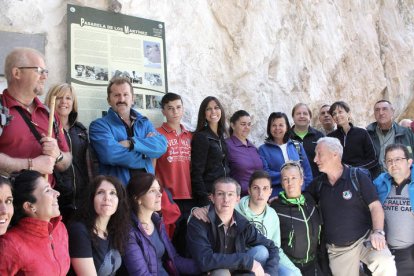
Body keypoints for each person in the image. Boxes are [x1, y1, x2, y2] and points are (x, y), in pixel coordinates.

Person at [307, 137, 396, 276]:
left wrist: (378, 232)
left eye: (319, 154)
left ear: (334, 154)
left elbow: (375, 206)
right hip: (339, 249)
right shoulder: (317, 185)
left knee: (385, 263)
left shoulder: (357, 177)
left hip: (366, 239)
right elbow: (300, 199)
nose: (315, 159)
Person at [0, 47, 72, 186]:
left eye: (46, 72)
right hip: (7, 204)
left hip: (45, 204)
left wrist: (58, 155)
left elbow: (67, 161)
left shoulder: (48, 113)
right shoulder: (1, 108)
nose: (45, 76)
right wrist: (31, 165)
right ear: (17, 73)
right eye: (39, 71)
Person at [187, 177, 279, 275]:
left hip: (236, 269)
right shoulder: (199, 221)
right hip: (207, 272)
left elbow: (272, 246)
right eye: (220, 194)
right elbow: (204, 260)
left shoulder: (242, 223)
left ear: (237, 199)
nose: (226, 199)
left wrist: (270, 272)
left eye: (230, 194)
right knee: (221, 273)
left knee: (262, 251)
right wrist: (246, 261)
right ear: (212, 198)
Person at [89, 77, 167, 185]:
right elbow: (110, 155)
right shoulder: (99, 126)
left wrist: (131, 143)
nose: (121, 99)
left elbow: (162, 145)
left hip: (146, 191)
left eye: (125, 95)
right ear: (109, 100)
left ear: (132, 98)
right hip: (119, 192)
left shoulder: (144, 123)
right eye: (116, 95)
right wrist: (146, 155)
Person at [123, 173, 199, 275]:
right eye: (152, 191)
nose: (160, 194)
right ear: (137, 198)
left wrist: (205, 267)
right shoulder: (129, 233)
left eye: (159, 190)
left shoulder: (157, 222)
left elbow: (174, 259)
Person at [0, 170, 70, 275]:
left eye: (8, 201)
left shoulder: (60, 229)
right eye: (47, 190)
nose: (57, 193)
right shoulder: (10, 244)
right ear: (29, 206)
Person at [45, 83, 91, 222]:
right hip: (57, 197)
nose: (64, 101)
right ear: (51, 101)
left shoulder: (80, 130)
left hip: (82, 197)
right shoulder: (45, 127)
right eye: (59, 97)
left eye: (68, 98)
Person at [68, 175, 130, 275]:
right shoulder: (79, 231)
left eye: (113, 193)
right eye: (100, 192)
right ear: (91, 199)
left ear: (119, 201)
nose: (107, 198)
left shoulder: (115, 231)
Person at [271, 161, 324, 276]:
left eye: (294, 178)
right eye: (285, 179)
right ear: (281, 183)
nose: (290, 183)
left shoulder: (311, 200)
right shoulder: (275, 208)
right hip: (290, 267)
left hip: (314, 264)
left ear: (301, 180)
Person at [373, 144, 414, 275]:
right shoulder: (379, 183)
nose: (393, 164)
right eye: (389, 160)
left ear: (409, 162)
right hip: (384, 251)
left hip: (410, 253)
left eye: (398, 159)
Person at [259, 112, 313, 197]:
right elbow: (266, 173)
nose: (277, 128)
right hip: (277, 196)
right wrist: (290, 176)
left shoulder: (296, 145)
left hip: (300, 194)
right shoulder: (263, 149)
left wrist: (307, 191)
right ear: (269, 128)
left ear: (287, 127)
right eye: (274, 125)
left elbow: (307, 170)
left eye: (281, 125)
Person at [191, 96, 230, 206]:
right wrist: (204, 198)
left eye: (216, 107)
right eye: (208, 109)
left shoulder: (221, 136)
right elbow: (196, 172)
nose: (213, 111)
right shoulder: (201, 137)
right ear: (204, 113)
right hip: (210, 194)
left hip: (224, 192)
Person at [327, 101, 378, 173]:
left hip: (359, 175)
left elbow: (373, 159)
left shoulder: (362, 133)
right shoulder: (330, 138)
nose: (337, 115)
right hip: (339, 177)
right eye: (334, 114)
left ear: (348, 113)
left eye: (340, 112)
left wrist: (354, 169)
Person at [367, 100, 414, 175]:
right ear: (374, 114)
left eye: (384, 109)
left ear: (392, 111)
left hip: (401, 178)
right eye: (377, 110)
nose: (381, 113)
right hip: (375, 179)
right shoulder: (367, 134)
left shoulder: (406, 133)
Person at [226, 110, 263, 196]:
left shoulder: (253, 148)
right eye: (243, 124)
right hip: (239, 198)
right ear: (232, 125)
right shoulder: (227, 145)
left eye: (249, 124)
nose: (247, 127)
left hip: (258, 196)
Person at [289, 103, 325, 177]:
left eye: (305, 113)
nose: (302, 116)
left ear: (310, 117)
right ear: (293, 117)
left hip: (316, 181)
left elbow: (325, 159)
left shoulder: (319, 136)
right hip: (293, 182)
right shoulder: (286, 137)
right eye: (298, 113)